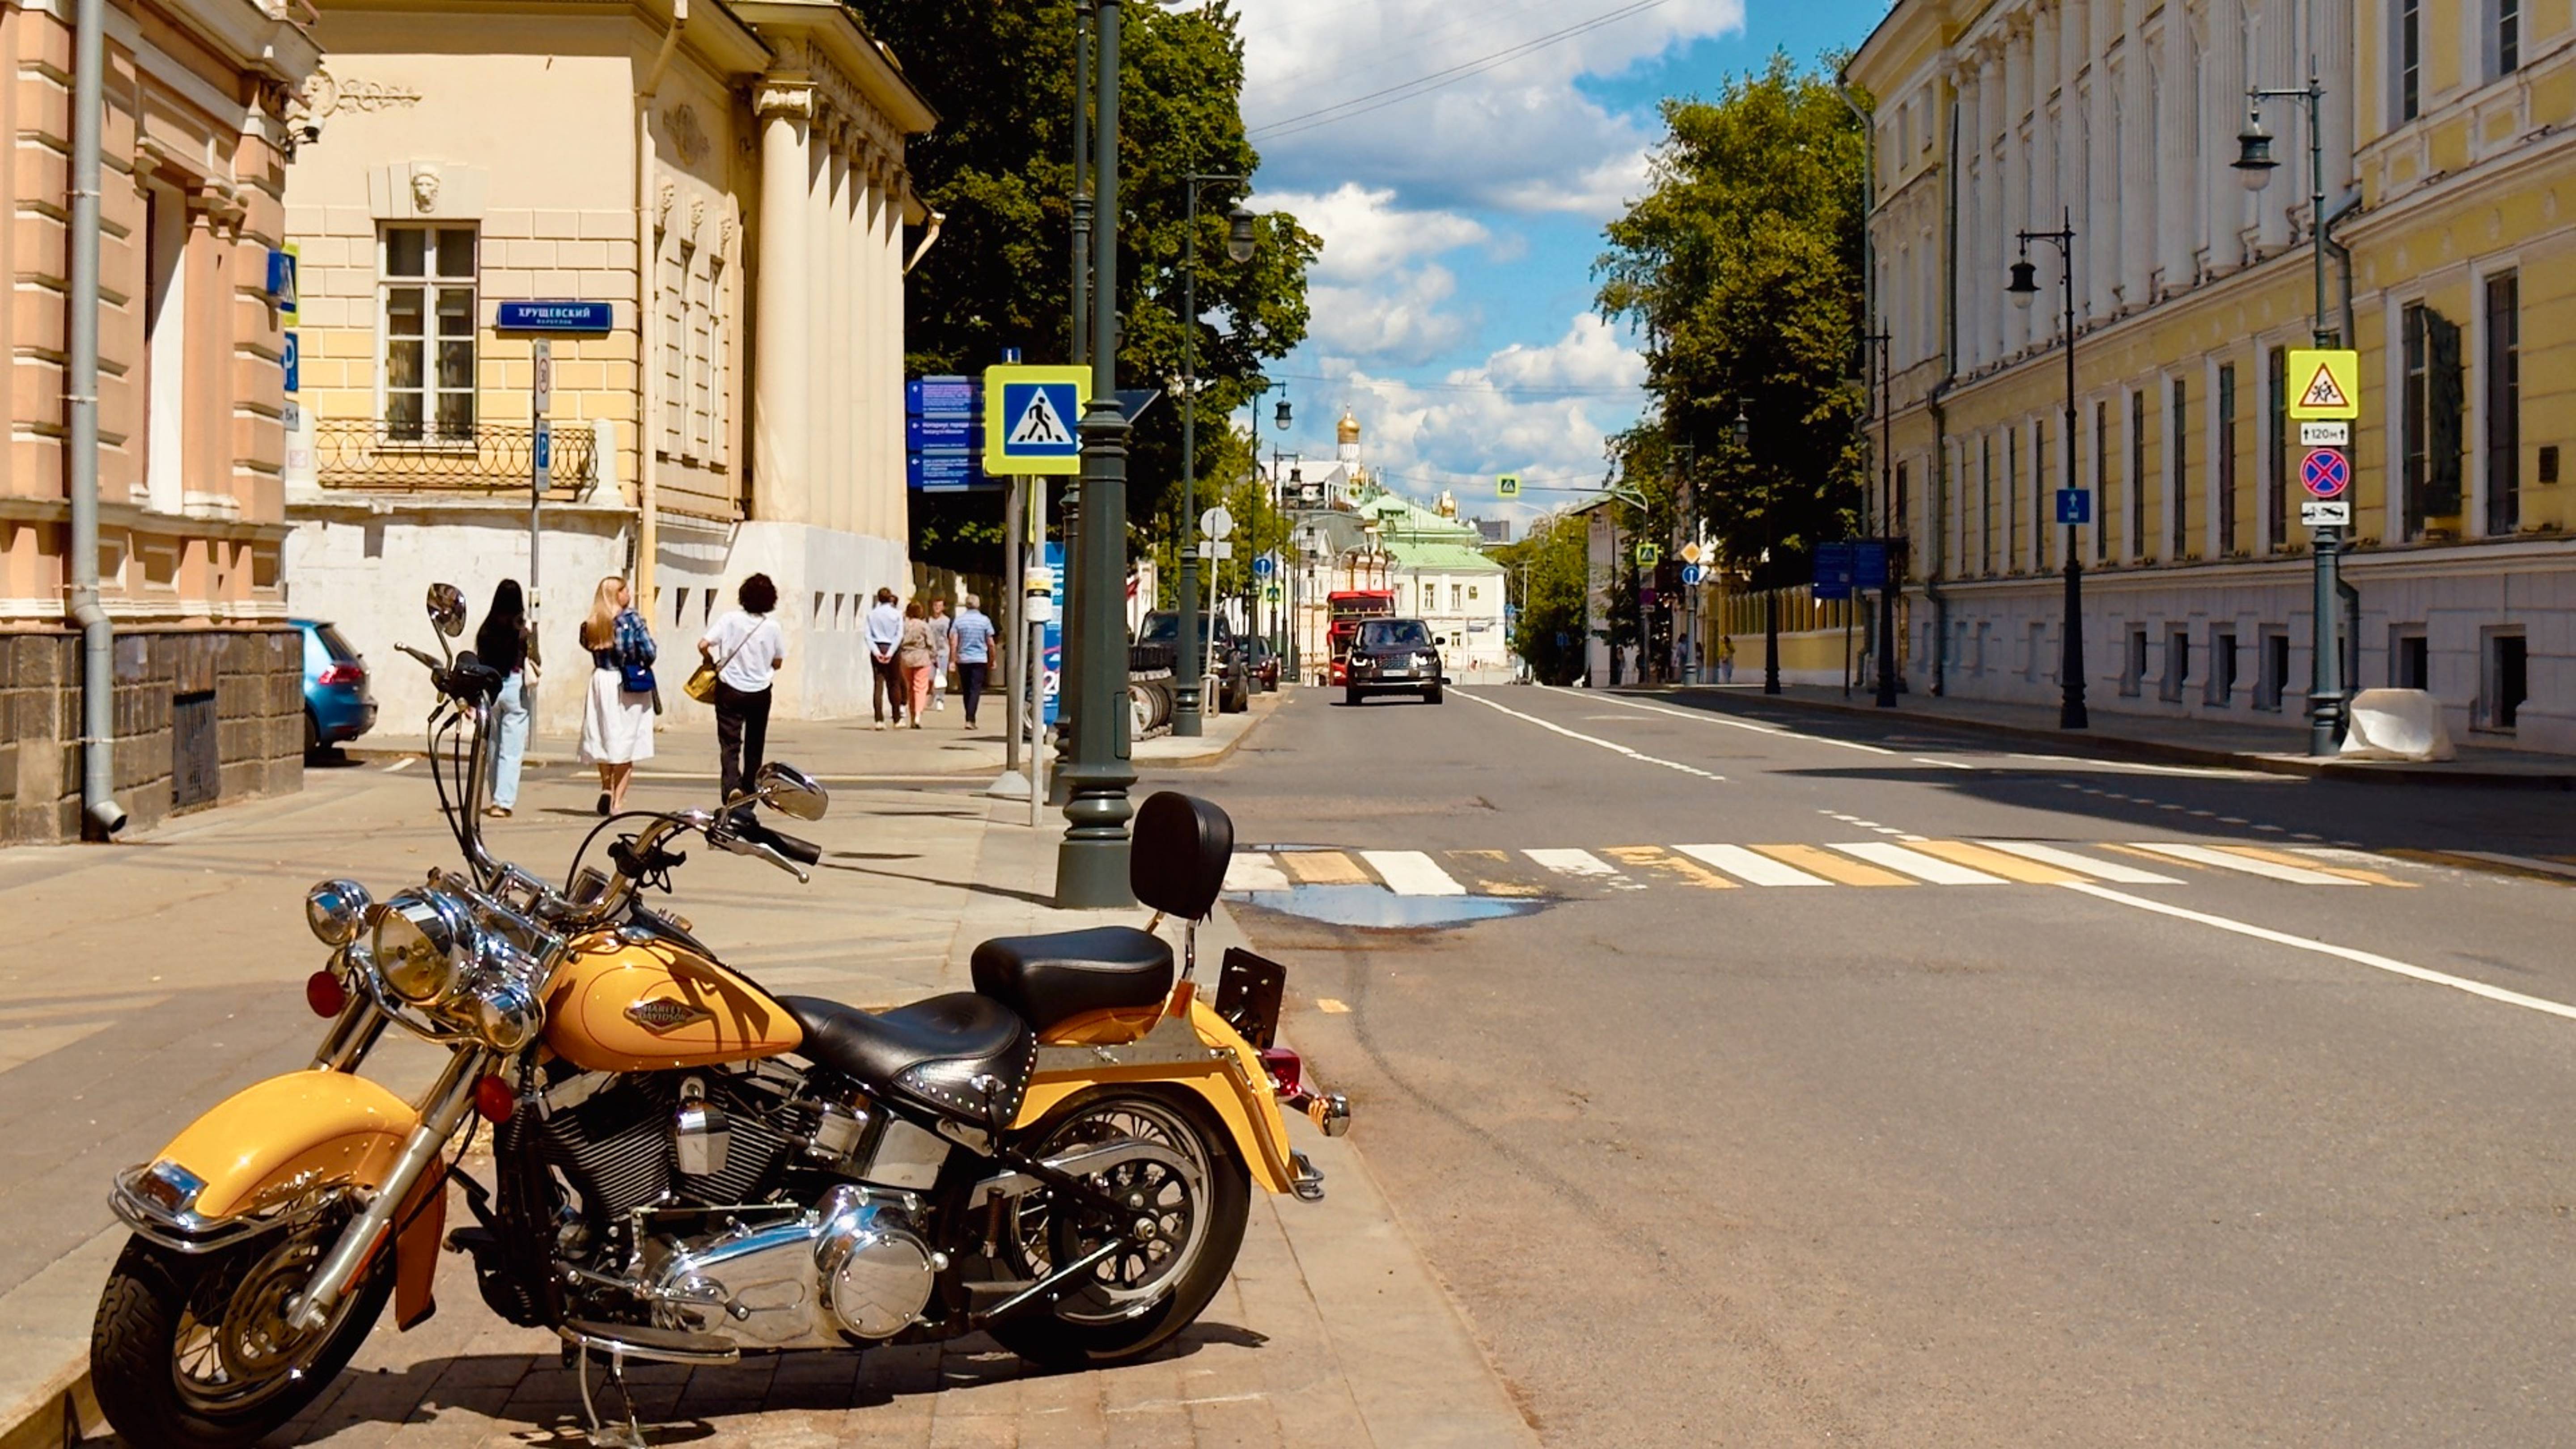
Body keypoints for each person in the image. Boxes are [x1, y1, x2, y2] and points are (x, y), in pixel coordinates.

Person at [699, 573, 786, 809]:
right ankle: (749, 794)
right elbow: (778, 662)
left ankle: (732, 787)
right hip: (760, 691)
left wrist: (710, 661)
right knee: (755, 744)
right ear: (771, 600)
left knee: (730, 744)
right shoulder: (773, 627)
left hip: (729, 688)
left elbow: (703, 644)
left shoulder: (729, 620)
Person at [579, 574, 656, 815]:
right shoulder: (630, 620)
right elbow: (649, 651)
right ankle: (618, 802)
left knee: (603, 734)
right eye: (624, 590)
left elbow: (586, 644)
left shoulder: (593, 622)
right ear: (616, 594)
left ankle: (606, 786)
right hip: (627, 682)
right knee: (626, 739)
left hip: (600, 679)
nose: (629, 594)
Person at [476, 580, 536, 818]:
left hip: (492, 688)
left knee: (492, 746)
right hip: (515, 686)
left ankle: (495, 797)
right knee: (511, 750)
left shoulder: (487, 628)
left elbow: (481, 658)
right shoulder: (524, 629)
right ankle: (503, 802)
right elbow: (536, 657)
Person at [950, 593, 995, 729]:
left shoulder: (959, 621)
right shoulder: (985, 621)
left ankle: (969, 716)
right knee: (975, 689)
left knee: (966, 689)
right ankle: (971, 719)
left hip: (963, 659)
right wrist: (993, 659)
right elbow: (991, 643)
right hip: (980, 659)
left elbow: (954, 642)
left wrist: (953, 660)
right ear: (979, 605)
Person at [866, 587, 905, 729]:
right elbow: (899, 635)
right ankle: (897, 718)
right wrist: (890, 653)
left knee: (878, 684)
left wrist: (876, 652)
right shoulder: (897, 614)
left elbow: (868, 635)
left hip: (877, 645)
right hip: (892, 647)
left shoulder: (872, 614)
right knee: (894, 683)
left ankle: (879, 720)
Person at [897, 600, 935, 729]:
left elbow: (899, 640)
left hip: (906, 657)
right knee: (920, 687)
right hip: (922, 657)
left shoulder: (904, 625)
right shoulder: (924, 626)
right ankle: (918, 715)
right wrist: (934, 656)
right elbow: (930, 642)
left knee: (909, 688)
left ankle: (912, 714)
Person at [927, 598, 953, 712]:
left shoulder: (947, 621)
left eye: (940, 606)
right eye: (935, 606)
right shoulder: (928, 620)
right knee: (930, 677)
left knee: (941, 677)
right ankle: (932, 693)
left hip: (943, 652)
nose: (937, 608)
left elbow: (951, 637)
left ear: (943, 608)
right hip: (930, 653)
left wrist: (952, 655)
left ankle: (940, 699)